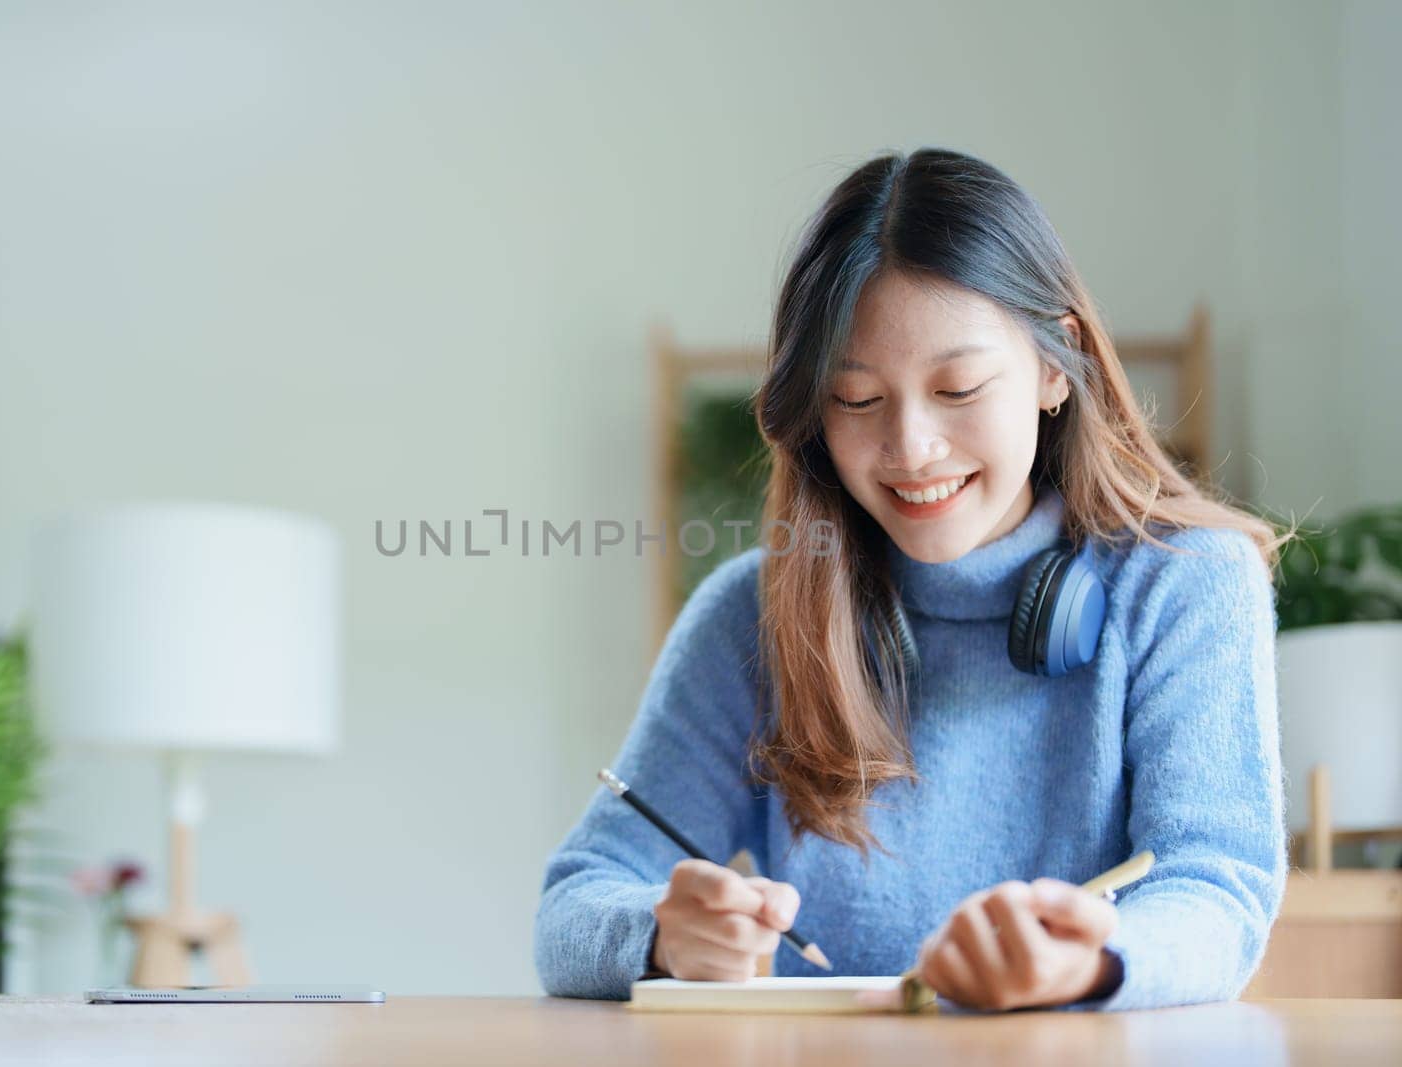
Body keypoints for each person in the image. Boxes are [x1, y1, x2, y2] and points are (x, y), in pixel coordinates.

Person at [533, 147, 1292, 1012]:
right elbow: (573, 905)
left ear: (1055, 366)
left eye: (958, 386)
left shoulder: (1184, 585)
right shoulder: (750, 616)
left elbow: (1217, 889)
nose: (910, 448)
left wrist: (1089, 961)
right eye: (857, 401)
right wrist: (662, 933)